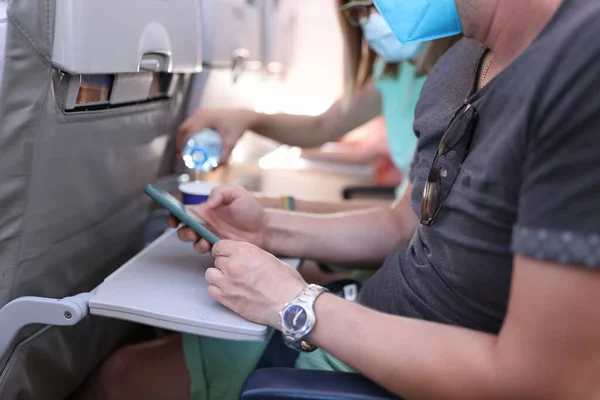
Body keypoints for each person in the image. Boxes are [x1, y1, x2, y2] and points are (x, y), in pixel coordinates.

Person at [79, 0, 600, 399]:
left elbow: (546, 381)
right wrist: (269, 230)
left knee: (120, 378)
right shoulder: (462, 60)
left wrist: (297, 303)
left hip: (390, 365)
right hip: (359, 321)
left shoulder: (580, 67)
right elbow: (406, 223)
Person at [181, 0, 460, 213]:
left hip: (413, 233)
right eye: (361, 11)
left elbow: (399, 225)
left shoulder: (460, 72)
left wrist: (277, 210)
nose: (372, 20)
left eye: (378, 5)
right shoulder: (393, 74)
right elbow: (322, 127)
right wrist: (245, 119)